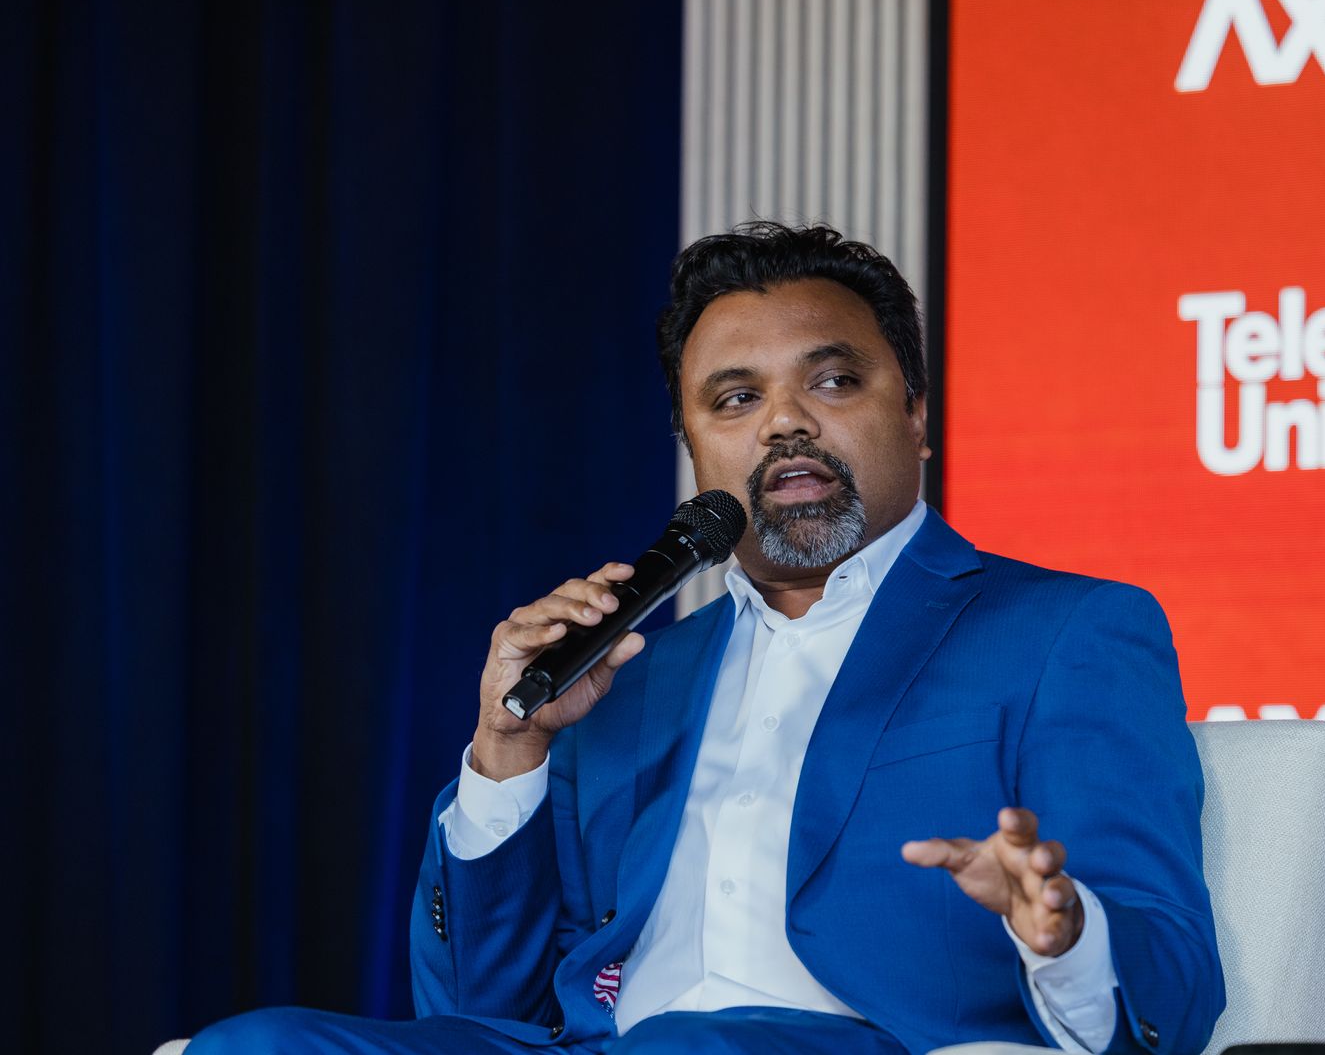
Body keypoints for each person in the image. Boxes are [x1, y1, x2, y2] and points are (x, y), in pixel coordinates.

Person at [190, 223, 1224, 1054]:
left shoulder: (1063, 631)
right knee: (252, 1043)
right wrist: (509, 755)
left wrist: (1066, 931)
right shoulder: (633, 674)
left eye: (831, 382)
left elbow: (1172, 978)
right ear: (694, 450)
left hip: (864, 1043)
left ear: (915, 414)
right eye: (736, 399)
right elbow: (472, 1007)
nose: (783, 423)